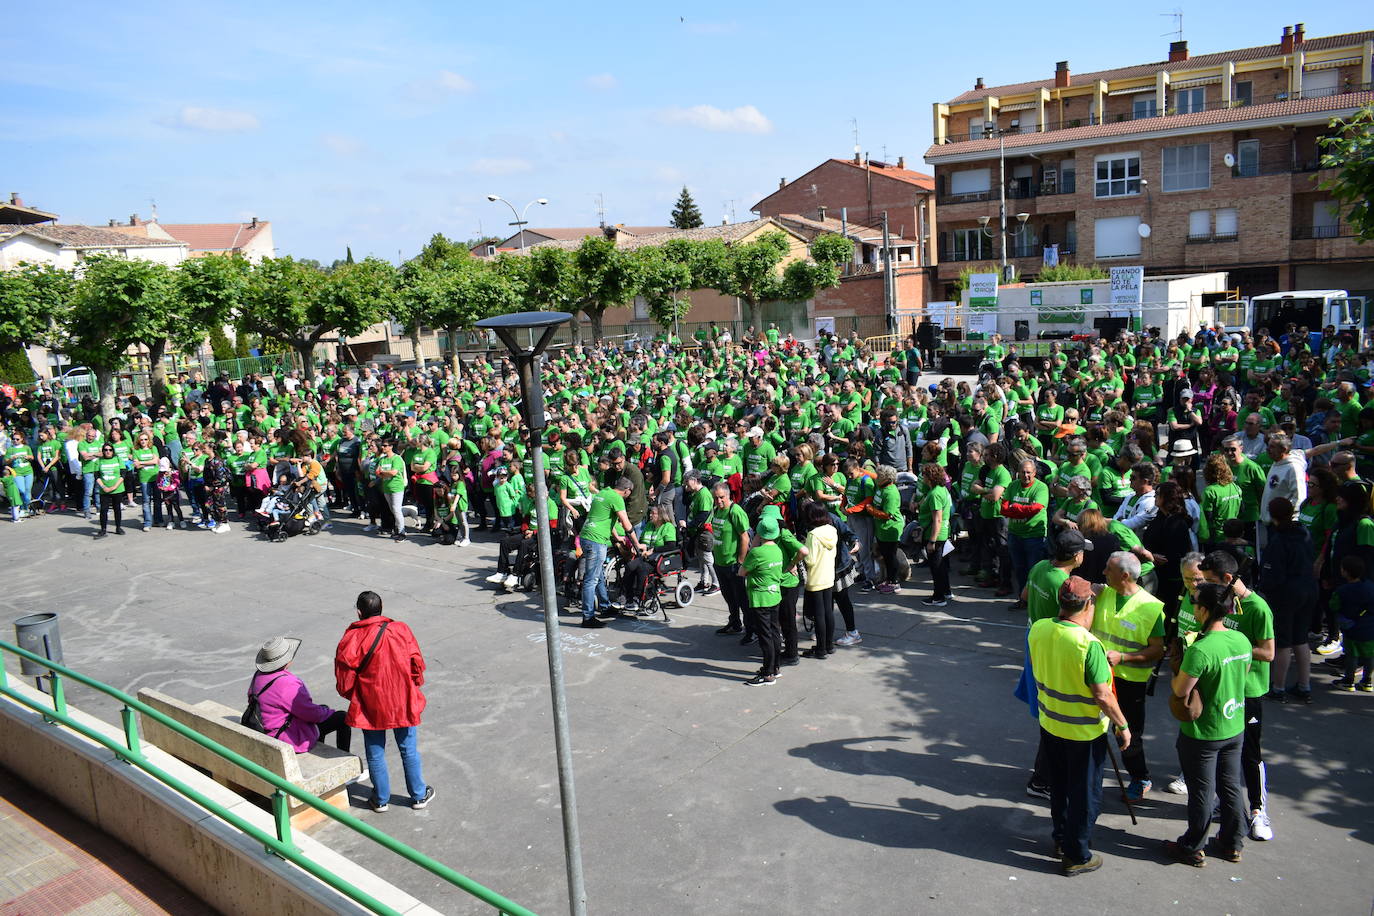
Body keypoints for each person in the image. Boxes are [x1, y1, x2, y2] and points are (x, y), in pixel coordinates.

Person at [1027, 576, 1130, 877]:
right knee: (1085, 795)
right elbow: (1102, 695)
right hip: (1084, 733)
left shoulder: (1039, 629)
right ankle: (1077, 855)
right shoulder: (1089, 645)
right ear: (1088, 605)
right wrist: (1122, 725)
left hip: (1051, 724)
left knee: (1059, 788)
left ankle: (1061, 839)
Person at [1164, 582, 1251, 867]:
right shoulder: (1241, 641)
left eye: (1196, 603)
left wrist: (1179, 665)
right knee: (1230, 787)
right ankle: (1232, 842)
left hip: (1203, 732)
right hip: (1234, 726)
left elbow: (1180, 690)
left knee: (1201, 791)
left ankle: (1193, 846)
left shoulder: (1201, 650)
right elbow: (1243, 672)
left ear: (1204, 610)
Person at [1199, 550, 1276, 843]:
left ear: (1228, 579)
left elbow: (1268, 652)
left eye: (1210, 581)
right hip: (1222, 687)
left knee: (1250, 754)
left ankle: (1257, 810)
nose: (1205, 587)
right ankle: (1227, 803)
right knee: (1221, 751)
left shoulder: (1258, 609)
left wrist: (1231, 648)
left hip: (1248, 691)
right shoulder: (1222, 603)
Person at [334, 591, 433, 813]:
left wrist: (357, 695)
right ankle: (418, 795)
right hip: (401, 699)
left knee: (375, 751)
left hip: (371, 702)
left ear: (359, 612)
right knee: (408, 748)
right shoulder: (400, 630)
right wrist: (411, 685)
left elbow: (344, 680)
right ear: (381, 608)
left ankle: (380, 799)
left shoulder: (352, 638)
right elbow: (416, 664)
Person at [1090, 551, 1165, 801]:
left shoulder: (1152, 608)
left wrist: (1124, 658)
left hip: (1130, 682)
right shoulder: (1104, 593)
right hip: (1099, 675)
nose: (1103, 573)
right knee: (1092, 726)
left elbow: (1157, 649)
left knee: (1127, 732)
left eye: (1108, 569)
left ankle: (1139, 776)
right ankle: (1092, 773)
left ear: (1124, 575)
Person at [250, 636, 350, 753]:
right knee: (342, 718)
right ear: (287, 660)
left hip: (267, 729)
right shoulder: (287, 684)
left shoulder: (258, 675)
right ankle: (344, 754)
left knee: (323, 710)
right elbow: (310, 714)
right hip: (285, 738)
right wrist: (328, 712)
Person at [579, 477, 641, 629]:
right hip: (596, 540)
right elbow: (626, 524)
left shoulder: (604, 493)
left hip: (586, 535)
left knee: (598, 574)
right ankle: (588, 617)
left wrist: (615, 536)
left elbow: (605, 517)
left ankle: (605, 607)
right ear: (626, 491)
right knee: (591, 579)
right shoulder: (617, 498)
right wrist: (636, 544)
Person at [742, 514, 784, 686]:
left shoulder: (757, 552)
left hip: (761, 599)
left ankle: (767, 674)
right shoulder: (777, 549)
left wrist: (754, 542)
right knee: (774, 632)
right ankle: (775, 667)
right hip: (775, 596)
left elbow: (742, 572)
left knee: (764, 636)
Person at [801, 501, 838, 659]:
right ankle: (828, 645)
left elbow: (810, 560)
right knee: (828, 612)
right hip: (829, 575)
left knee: (819, 615)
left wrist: (802, 549)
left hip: (816, 577)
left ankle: (820, 649)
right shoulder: (832, 529)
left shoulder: (813, 535)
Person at [917, 462, 953, 607]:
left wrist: (931, 541)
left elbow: (937, 519)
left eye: (924, 475)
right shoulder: (940, 489)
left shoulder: (935, 494)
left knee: (936, 567)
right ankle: (946, 591)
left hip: (936, 535)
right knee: (941, 565)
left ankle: (938, 597)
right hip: (941, 533)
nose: (922, 477)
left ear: (930, 477)